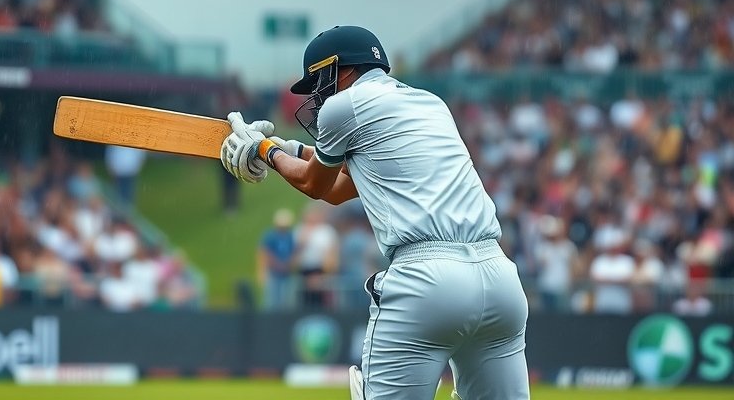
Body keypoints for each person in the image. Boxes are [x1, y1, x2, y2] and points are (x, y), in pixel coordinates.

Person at [220, 25, 529, 400]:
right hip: (499, 281)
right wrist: (292, 150)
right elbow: (346, 183)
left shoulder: (343, 106)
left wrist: (266, 150)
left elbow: (315, 185)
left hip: (427, 280)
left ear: (341, 69)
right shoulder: (429, 103)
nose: (317, 96)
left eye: (318, 81)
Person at [257, 208, 296, 310]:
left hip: (286, 272)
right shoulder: (270, 235)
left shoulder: (290, 235)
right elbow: (264, 253)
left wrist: (288, 264)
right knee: (271, 300)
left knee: (286, 300)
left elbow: (293, 251)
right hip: (273, 272)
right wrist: (263, 271)